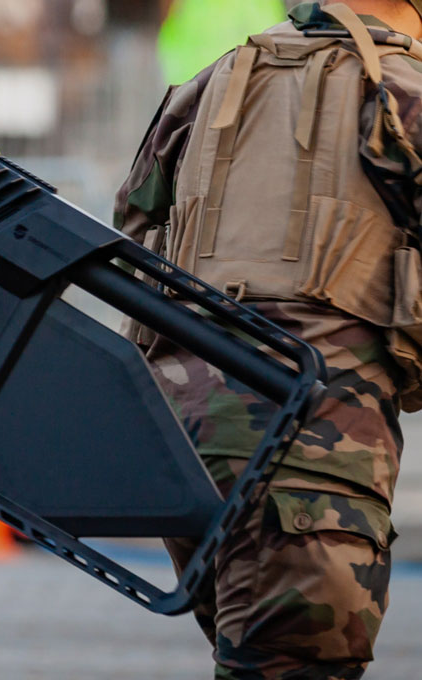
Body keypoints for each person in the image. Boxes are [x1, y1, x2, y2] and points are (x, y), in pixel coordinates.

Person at [115, 1, 422, 678]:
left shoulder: (209, 82)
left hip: (181, 442)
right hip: (314, 450)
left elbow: (131, 230)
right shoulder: (405, 95)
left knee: (252, 655)